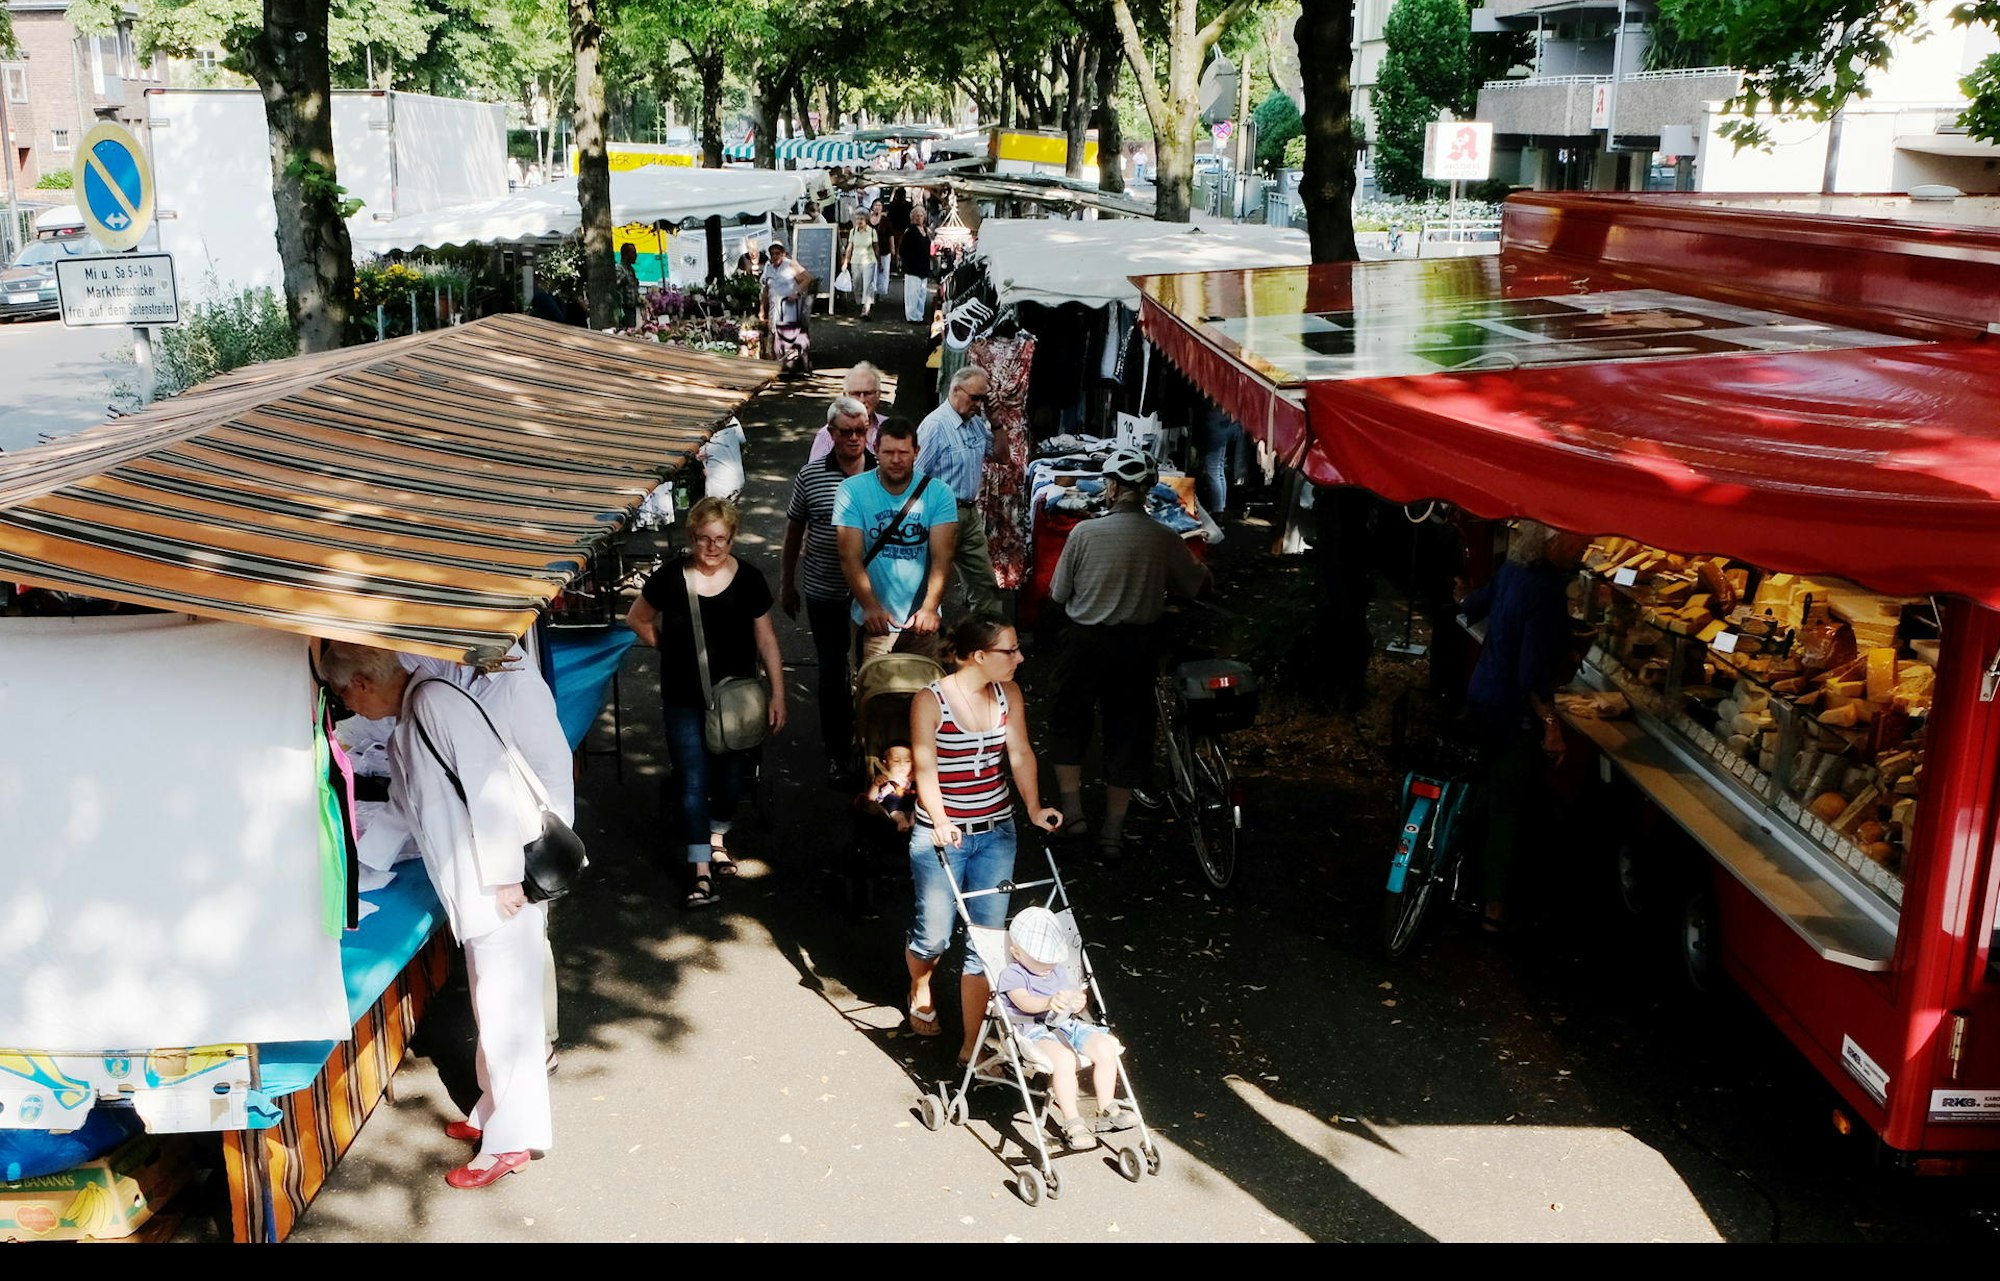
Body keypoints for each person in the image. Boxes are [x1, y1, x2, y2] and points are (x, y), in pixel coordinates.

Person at [318, 642, 560, 1190]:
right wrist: (357, 872)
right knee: (492, 1006)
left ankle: (510, 1140)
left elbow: (489, 787)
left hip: (499, 887)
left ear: (361, 683)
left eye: (342, 694)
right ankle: (494, 1113)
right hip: (483, 885)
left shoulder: (433, 705)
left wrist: (507, 878)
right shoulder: (415, 713)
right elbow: (404, 809)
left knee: (505, 1013)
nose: (347, 706)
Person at [906, 614, 1063, 1063]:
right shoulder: (930, 701)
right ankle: (920, 983)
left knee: (986, 944)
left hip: (996, 831)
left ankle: (971, 1045)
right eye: (1010, 651)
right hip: (942, 837)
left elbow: (1020, 754)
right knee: (934, 937)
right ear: (978, 656)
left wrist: (1034, 809)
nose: (1020, 658)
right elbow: (925, 769)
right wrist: (940, 820)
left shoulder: (1008, 694)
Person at [1047, 447, 1210, 862]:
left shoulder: (1084, 533)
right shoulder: (1164, 537)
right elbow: (1195, 584)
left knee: (1069, 722)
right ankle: (1113, 833)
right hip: (1137, 646)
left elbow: (1059, 593)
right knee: (1129, 732)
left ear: (1112, 487)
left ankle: (1073, 814)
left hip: (1085, 642)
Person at [626, 497, 788, 910]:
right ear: (691, 537)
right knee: (693, 779)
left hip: (737, 700)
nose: (712, 547)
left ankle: (717, 837)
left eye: (720, 539)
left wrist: (778, 693)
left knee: (731, 780)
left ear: (732, 539)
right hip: (683, 696)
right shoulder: (670, 577)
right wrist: (668, 649)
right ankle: (700, 869)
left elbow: (766, 638)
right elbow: (637, 618)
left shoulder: (749, 579)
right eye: (703, 538)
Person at [1456, 519, 1590, 933]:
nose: (1584, 545)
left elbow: (1472, 605)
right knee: (1507, 807)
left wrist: (1460, 593)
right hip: (1512, 710)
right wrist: (1551, 724)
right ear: (1553, 539)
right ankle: (1494, 905)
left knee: (1481, 789)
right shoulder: (1546, 591)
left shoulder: (1511, 572)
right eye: (1578, 538)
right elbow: (1531, 673)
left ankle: (1458, 870)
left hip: (1481, 694)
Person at [783, 395, 877, 784]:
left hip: (873, 593)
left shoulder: (883, 473)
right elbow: (794, 531)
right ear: (831, 433)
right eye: (846, 432)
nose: (854, 438)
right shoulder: (810, 476)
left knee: (874, 669)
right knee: (832, 670)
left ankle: (873, 748)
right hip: (825, 589)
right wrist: (786, 584)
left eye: (861, 431)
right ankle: (838, 752)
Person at [995, 905, 1134, 1150]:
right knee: (1065, 1059)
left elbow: (1071, 996)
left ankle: (1107, 1107)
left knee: (1105, 1048)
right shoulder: (1013, 974)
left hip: (1067, 1024)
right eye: (1041, 959)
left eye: (1052, 957)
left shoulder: (1056, 970)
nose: (1048, 963)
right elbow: (1024, 1002)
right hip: (1034, 1030)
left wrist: (1078, 1002)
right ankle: (1073, 1121)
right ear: (1017, 953)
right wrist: (1047, 1002)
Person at [834, 416, 958, 664]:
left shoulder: (939, 493)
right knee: (871, 686)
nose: (896, 460)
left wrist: (930, 607)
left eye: (903, 452)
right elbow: (849, 556)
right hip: (874, 622)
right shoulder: (851, 490)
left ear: (916, 452)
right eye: (888, 452)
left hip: (920, 623)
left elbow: (942, 557)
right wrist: (870, 606)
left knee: (923, 686)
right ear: (875, 450)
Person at [916, 365, 1005, 618]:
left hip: (969, 513)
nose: (979, 405)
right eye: (974, 398)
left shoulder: (975, 424)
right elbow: (915, 476)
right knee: (931, 584)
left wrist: (996, 423)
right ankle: (922, 631)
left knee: (984, 584)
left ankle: (987, 634)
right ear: (955, 390)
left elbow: (1002, 457)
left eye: (983, 399)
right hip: (940, 514)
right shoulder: (935, 425)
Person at [807, 363, 886, 462]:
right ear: (845, 395)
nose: (862, 400)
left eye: (868, 393)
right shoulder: (827, 436)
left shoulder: (892, 427)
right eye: (856, 394)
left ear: (878, 395)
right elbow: (815, 470)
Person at [900, 206, 933, 324]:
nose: (919, 218)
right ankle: (911, 317)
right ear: (912, 217)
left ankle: (919, 316)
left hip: (923, 267)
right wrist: (908, 261)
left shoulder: (926, 231)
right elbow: (903, 249)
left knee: (921, 293)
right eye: (917, 216)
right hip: (912, 268)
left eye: (921, 215)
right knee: (912, 294)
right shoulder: (910, 231)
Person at [844, 208, 879, 318]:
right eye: (857, 219)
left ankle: (866, 308)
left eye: (862, 219)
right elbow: (849, 248)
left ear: (866, 220)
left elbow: (876, 248)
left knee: (868, 285)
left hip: (869, 261)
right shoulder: (853, 231)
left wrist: (879, 262)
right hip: (855, 261)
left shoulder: (872, 231)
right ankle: (860, 302)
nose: (859, 221)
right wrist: (846, 262)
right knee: (857, 285)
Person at [871, 201, 895, 301]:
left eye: (879, 205)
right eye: (875, 205)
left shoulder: (885, 220)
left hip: (884, 250)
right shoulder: (868, 219)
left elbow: (891, 235)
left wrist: (892, 248)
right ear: (872, 207)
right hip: (871, 250)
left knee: (883, 271)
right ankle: (872, 291)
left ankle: (879, 293)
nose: (877, 207)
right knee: (872, 271)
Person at [616, 243, 643, 329]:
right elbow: (616, 286)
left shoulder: (631, 270)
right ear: (625, 255)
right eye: (633, 253)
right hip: (624, 310)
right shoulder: (619, 269)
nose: (636, 256)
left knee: (632, 330)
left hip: (632, 310)